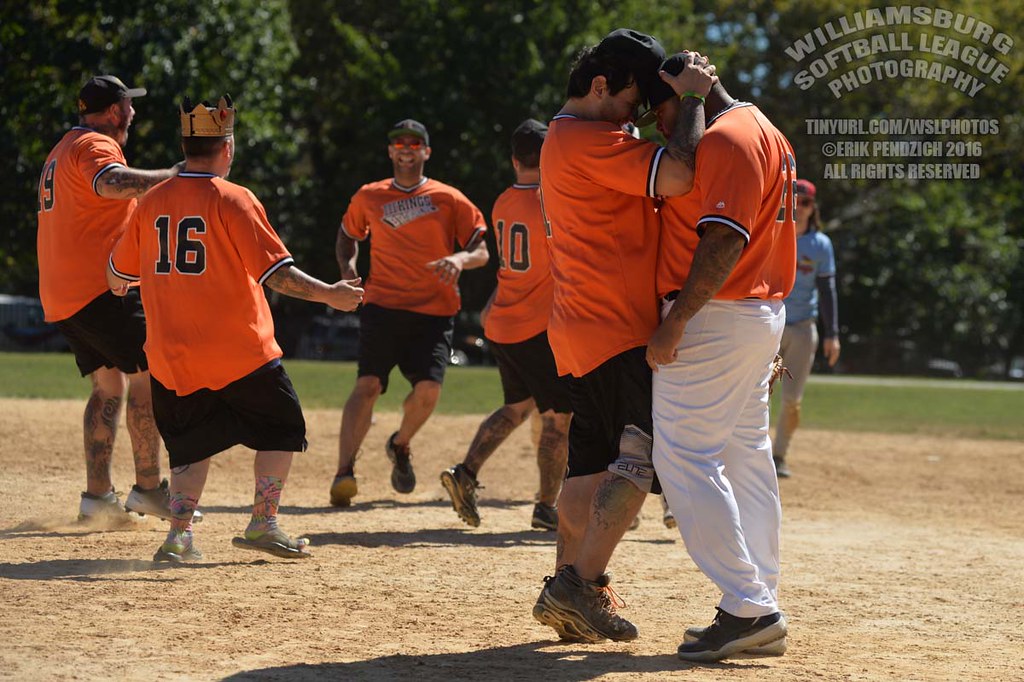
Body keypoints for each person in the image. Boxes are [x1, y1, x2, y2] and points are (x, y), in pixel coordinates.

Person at [107, 95, 364, 562]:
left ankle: (179, 537)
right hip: (239, 350)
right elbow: (277, 275)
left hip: (171, 355)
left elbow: (117, 275)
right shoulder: (235, 198)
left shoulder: (151, 201)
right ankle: (263, 523)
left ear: (185, 146)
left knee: (190, 443)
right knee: (282, 427)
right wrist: (331, 292)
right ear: (227, 147)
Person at [530, 29, 717, 644]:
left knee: (586, 467)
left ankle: (565, 590)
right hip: (614, 325)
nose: (635, 121)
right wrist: (692, 98)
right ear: (600, 85)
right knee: (637, 459)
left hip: (584, 324)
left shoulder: (570, 134)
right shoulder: (586, 137)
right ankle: (582, 587)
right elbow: (682, 176)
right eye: (632, 104)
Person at [645, 53, 796, 661]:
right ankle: (758, 597)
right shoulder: (765, 128)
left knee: (682, 456)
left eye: (659, 109)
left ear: (687, 94)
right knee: (746, 458)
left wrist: (675, 320)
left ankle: (747, 605)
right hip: (754, 312)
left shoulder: (727, 138)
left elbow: (725, 238)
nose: (660, 130)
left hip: (715, 316)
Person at [36, 74, 190, 523]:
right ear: (112, 112)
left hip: (64, 294)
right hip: (103, 288)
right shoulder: (94, 146)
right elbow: (111, 183)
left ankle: (97, 497)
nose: (134, 113)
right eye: (128, 105)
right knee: (149, 376)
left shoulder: (61, 148)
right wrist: (173, 178)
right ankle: (147, 488)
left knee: (109, 385)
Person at [330, 119, 489, 507]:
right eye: (398, 143)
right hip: (381, 306)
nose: (406, 148)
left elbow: (481, 251)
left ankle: (400, 445)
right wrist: (348, 272)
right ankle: (344, 472)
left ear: (426, 152)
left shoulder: (448, 198)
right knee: (366, 386)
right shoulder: (370, 196)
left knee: (429, 391)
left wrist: (459, 257)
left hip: (433, 314)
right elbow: (348, 235)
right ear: (390, 152)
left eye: (414, 143)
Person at [440, 119, 571, 531]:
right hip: (536, 328)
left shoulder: (501, 201)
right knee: (557, 419)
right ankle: (547, 506)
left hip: (503, 322)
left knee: (516, 408)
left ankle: (466, 473)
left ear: (514, 160)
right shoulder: (554, 202)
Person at [773, 179, 840, 478]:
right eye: (795, 201)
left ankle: (779, 455)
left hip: (802, 329)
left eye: (806, 203)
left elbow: (827, 291)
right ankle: (753, 453)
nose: (799, 208)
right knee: (754, 394)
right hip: (769, 325)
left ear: (814, 209)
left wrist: (832, 334)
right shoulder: (772, 231)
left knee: (791, 400)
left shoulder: (820, 245)